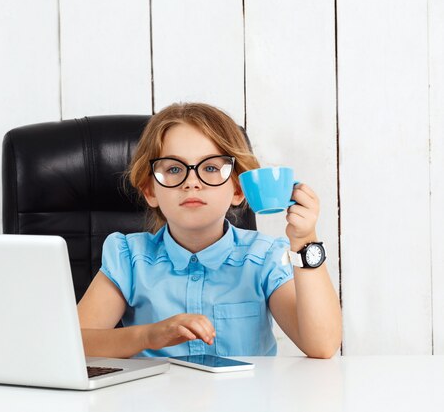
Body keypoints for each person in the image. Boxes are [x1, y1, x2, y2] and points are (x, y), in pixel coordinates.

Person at [78, 103, 342, 359]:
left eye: (211, 168)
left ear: (239, 188)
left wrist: (305, 241)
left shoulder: (264, 257)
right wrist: (148, 336)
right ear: (150, 191)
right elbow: (74, 343)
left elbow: (322, 345)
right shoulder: (128, 258)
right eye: (173, 169)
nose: (192, 182)